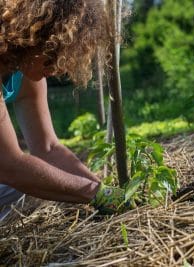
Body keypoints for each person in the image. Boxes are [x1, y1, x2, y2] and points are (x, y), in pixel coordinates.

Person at [0, 0, 130, 220]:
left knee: (25, 189)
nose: (57, 68)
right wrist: (94, 194)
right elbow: (9, 165)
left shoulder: (25, 72)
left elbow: (49, 148)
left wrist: (103, 190)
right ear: (31, 37)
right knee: (23, 180)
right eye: (51, 55)